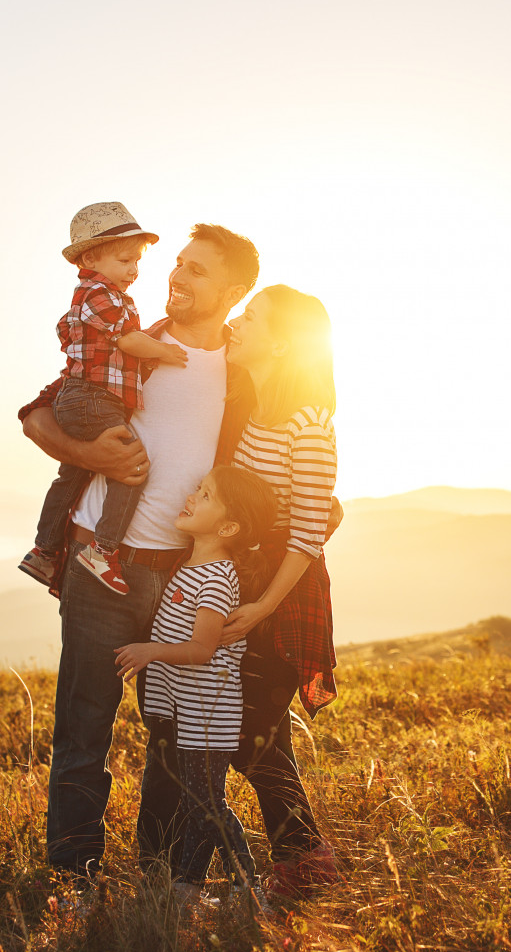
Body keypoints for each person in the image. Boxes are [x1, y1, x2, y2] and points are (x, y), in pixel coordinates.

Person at [19, 223, 261, 885]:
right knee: (84, 729)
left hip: (183, 579)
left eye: (198, 271)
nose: (178, 277)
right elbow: (39, 413)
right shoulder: (136, 345)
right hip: (105, 565)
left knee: (172, 737)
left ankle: (157, 874)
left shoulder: (244, 375)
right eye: (177, 264)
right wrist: (85, 452)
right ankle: (74, 876)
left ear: (233, 291)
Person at [219, 284, 340, 897]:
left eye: (252, 317)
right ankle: (301, 859)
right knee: (259, 732)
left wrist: (264, 606)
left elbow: (310, 534)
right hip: (243, 583)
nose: (237, 322)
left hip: (285, 595)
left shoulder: (309, 425)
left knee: (255, 732)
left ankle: (306, 862)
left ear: (283, 342)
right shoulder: (247, 408)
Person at [114, 465, 277, 909]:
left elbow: (202, 650)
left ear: (228, 527)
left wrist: (151, 651)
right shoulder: (190, 565)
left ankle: (249, 888)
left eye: (205, 495)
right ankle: (188, 889)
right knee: (197, 802)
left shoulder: (215, 577)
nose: (191, 496)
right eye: (198, 488)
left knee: (207, 805)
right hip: (190, 712)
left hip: (209, 714)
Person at [19, 202, 188, 597]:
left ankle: (44, 550)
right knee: (131, 468)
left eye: (137, 262)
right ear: (91, 258)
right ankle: (103, 549)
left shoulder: (93, 294)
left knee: (72, 474)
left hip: (84, 398)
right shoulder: (100, 295)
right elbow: (128, 340)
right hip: (93, 399)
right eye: (125, 259)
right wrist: (164, 351)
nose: (134, 270)